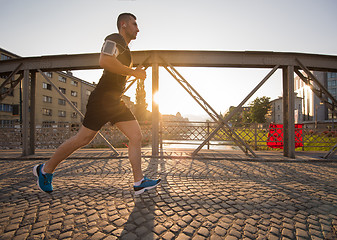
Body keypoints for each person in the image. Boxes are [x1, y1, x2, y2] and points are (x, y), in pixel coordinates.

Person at [33, 13, 160, 195]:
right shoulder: (114, 39)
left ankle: (139, 181)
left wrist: (132, 72)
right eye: (134, 24)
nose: (138, 28)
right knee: (83, 139)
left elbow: (116, 67)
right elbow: (104, 60)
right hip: (102, 99)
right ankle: (45, 170)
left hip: (114, 102)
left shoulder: (125, 49)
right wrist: (134, 72)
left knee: (136, 136)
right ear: (123, 24)